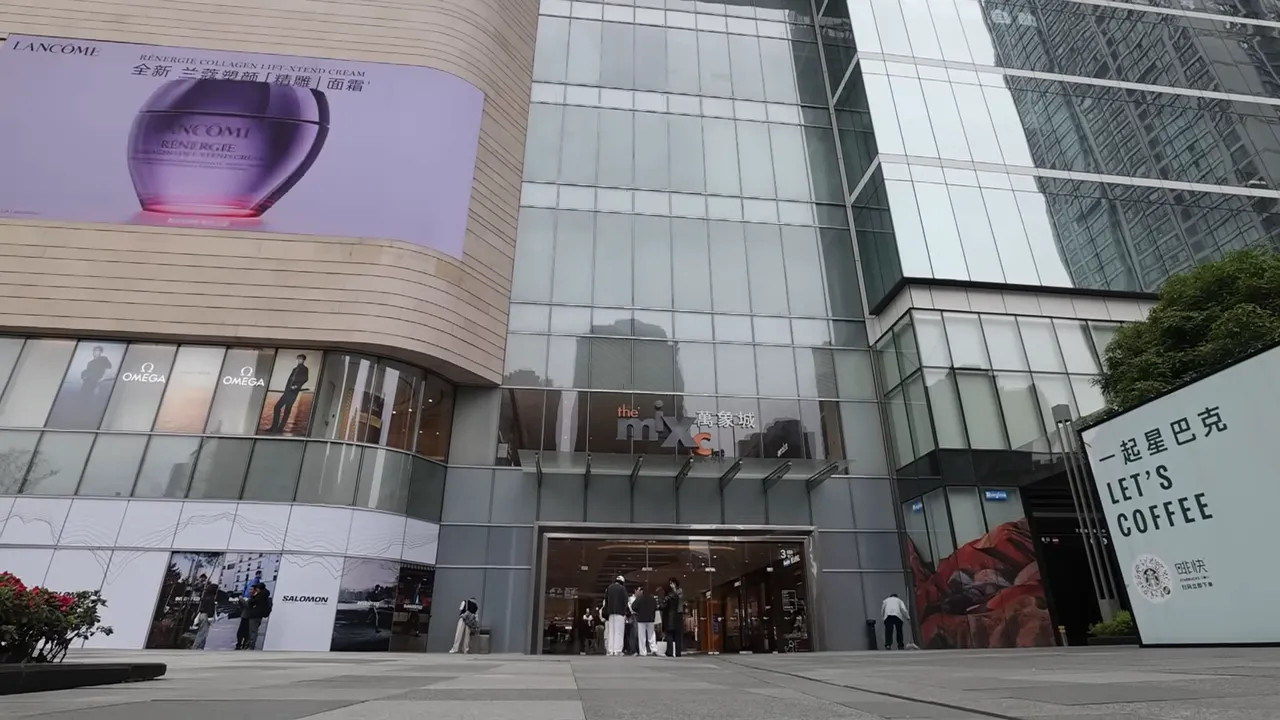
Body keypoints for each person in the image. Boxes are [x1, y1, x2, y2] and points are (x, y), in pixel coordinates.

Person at [268, 354, 310, 433]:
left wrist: (297, 386)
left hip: (293, 392)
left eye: (301, 359)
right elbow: (290, 380)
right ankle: (274, 427)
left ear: (303, 360)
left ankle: (280, 429)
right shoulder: (295, 369)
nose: (299, 360)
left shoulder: (305, 369)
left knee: (287, 409)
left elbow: (305, 379)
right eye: (298, 359)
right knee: (277, 407)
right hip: (287, 391)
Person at [237, 582, 271, 650]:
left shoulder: (260, 596)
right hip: (258, 615)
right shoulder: (264, 595)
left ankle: (250, 646)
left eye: (255, 589)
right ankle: (248, 645)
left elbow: (249, 604)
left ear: (258, 589)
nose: (250, 591)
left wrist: (241, 599)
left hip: (254, 616)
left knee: (252, 631)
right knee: (251, 631)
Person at [191, 573, 218, 650]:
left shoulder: (205, 595)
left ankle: (200, 648)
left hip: (202, 614)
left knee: (203, 633)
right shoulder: (210, 597)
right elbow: (210, 607)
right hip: (206, 616)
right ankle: (195, 648)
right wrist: (210, 617)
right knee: (202, 634)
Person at [603, 576, 628, 657]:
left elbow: (606, 601)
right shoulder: (622, 588)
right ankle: (617, 650)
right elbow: (625, 601)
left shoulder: (609, 588)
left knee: (611, 632)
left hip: (611, 613)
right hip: (620, 613)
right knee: (619, 632)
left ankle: (610, 650)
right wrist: (626, 612)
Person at [632, 585, 657, 657]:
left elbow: (633, 607)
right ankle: (653, 649)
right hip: (650, 619)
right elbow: (656, 607)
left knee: (642, 636)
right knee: (651, 635)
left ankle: (643, 651)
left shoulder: (639, 598)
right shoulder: (652, 599)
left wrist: (638, 611)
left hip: (641, 619)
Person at [663, 577, 683, 657]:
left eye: (672, 583)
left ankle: (673, 652)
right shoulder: (671, 594)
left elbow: (679, 596)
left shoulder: (678, 592)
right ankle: (674, 652)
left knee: (672, 634)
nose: (671, 585)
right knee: (674, 635)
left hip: (675, 615)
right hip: (675, 615)